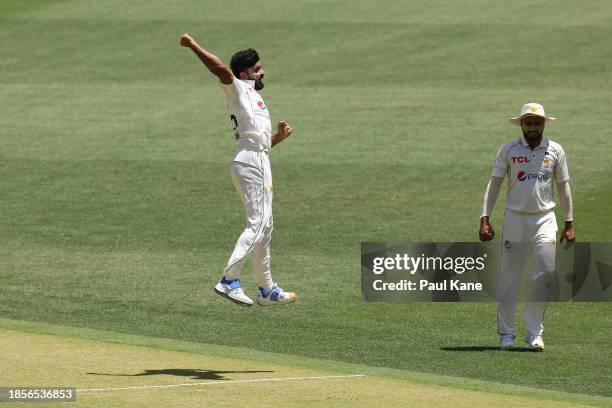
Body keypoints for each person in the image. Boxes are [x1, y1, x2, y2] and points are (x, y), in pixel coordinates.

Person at [180, 33, 296, 307]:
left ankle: (267, 289)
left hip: (259, 160)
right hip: (249, 163)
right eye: (257, 69)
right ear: (243, 73)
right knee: (257, 224)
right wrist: (193, 44)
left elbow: (259, 142)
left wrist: (278, 138)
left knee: (265, 226)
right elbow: (220, 69)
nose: (262, 71)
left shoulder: (253, 96)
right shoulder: (237, 88)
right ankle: (229, 279)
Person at [479, 103, 575, 350]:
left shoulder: (555, 150)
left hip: (545, 218)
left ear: (544, 124)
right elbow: (495, 184)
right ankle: (506, 334)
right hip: (515, 219)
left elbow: (563, 186)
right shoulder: (508, 150)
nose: (533, 128)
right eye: (528, 123)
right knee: (509, 277)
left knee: (544, 274)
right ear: (521, 124)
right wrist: (485, 217)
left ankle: (534, 332)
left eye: (537, 123)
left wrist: (569, 222)